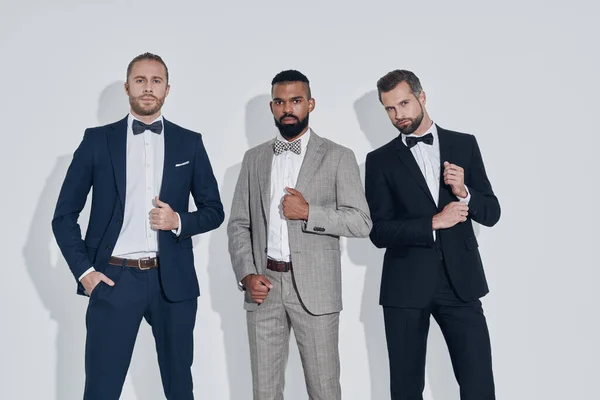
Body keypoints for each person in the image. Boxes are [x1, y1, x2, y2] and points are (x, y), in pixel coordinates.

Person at [52, 52, 224, 399]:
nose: (149, 88)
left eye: (156, 81)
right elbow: (64, 216)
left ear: (167, 89)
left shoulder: (189, 142)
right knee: (101, 390)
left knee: (179, 389)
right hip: (115, 280)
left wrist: (178, 221)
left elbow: (214, 210)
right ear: (127, 86)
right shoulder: (96, 141)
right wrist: (85, 273)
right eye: (141, 80)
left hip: (172, 283)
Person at [227, 70, 372, 400]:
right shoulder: (254, 159)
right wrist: (247, 273)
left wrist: (309, 213)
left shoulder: (338, 156)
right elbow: (238, 224)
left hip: (317, 290)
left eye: (295, 100)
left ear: (310, 103)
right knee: (265, 392)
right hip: (264, 286)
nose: (287, 108)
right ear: (272, 107)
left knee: (323, 390)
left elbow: (361, 223)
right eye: (280, 102)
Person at [365, 69, 501, 400]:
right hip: (405, 286)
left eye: (404, 104)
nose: (398, 115)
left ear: (422, 98)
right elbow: (379, 232)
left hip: (461, 283)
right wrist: (433, 222)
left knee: (479, 383)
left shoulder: (463, 144)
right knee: (407, 388)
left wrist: (464, 191)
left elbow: (492, 213)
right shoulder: (379, 160)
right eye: (389, 109)